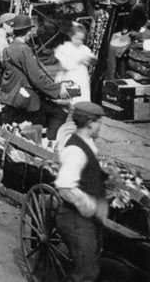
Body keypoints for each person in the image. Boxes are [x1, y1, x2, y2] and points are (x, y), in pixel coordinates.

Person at [53, 101, 108, 282]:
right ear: (90, 123)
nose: (101, 127)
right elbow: (65, 186)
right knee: (85, 274)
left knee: (92, 263)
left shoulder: (87, 143)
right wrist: (90, 205)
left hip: (86, 219)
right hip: (75, 219)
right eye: (99, 122)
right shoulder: (76, 150)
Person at [0, 14, 71, 138]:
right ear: (28, 32)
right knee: (59, 113)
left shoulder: (9, 48)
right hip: (22, 97)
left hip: (10, 94)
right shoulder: (23, 50)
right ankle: (49, 145)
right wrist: (58, 90)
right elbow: (37, 79)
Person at [54, 22, 96, 104]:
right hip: (69, 76)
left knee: (83, 94)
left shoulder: (84, 49)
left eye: (81, 39)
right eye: (77, 38)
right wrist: (78, 61)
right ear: (71, 36)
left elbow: (91, 58)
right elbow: (64, 65)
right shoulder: (65, 48)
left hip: (82, 76)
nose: (79, 41)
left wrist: (91, 60)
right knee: (71, 98)